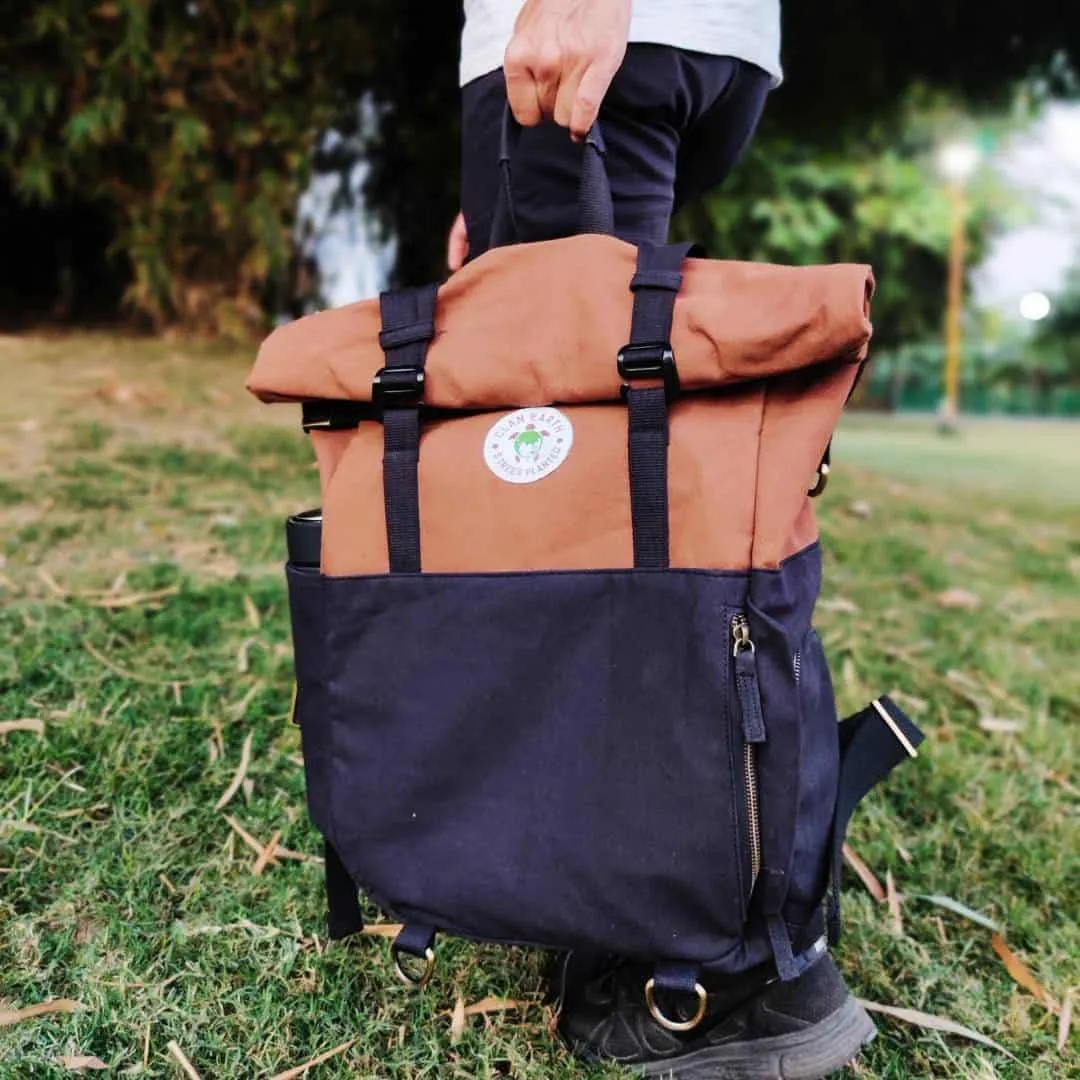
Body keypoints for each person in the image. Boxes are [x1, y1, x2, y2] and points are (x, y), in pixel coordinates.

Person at [446, 4, 875, 1079]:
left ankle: (719, 975)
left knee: (582, 519)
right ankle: (695, 905)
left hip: (596, 38)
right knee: (620, 471)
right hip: (690, 45)